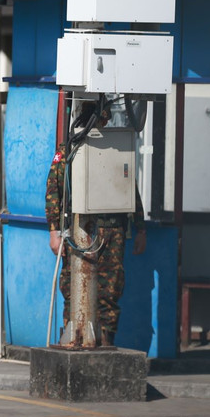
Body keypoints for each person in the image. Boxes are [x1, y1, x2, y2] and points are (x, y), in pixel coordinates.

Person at [45, 103, 146, 346]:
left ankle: (106, 339)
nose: (104, 124)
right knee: (72, 286)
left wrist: (140, 227)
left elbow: (129, 188)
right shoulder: (68, 150)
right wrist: (54, 230)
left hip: (113, 229)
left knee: (110, 288)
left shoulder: (115, 149)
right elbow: (54, 191)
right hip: (80, 230)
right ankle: (73, 336)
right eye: (101, 119)